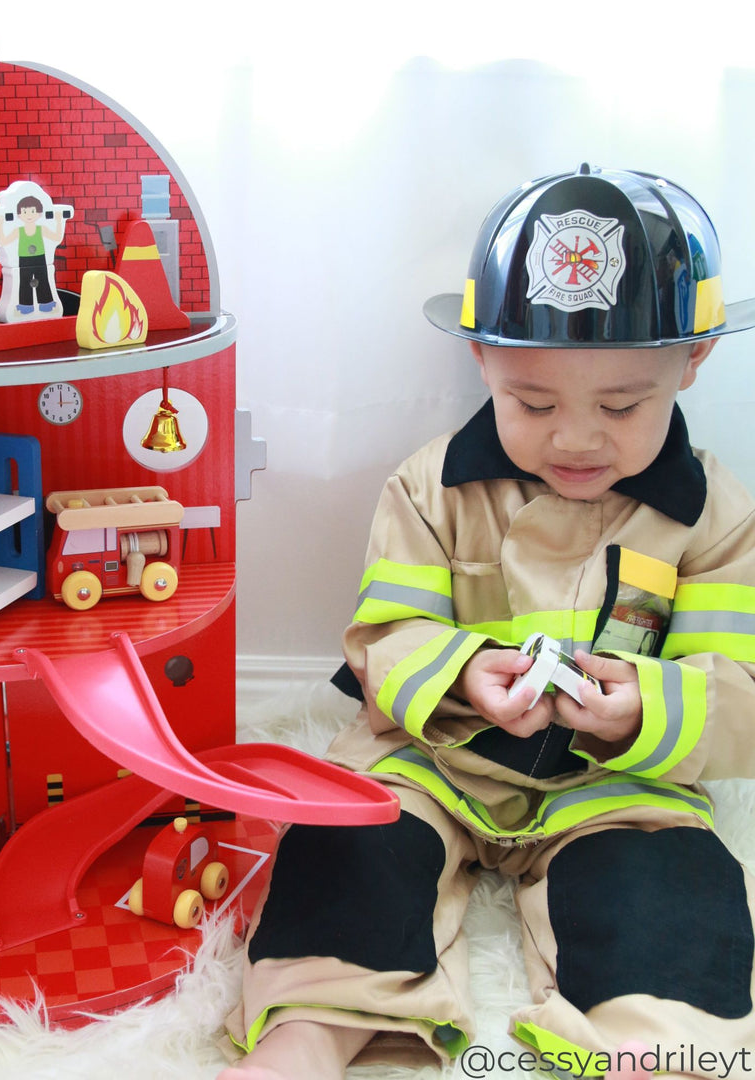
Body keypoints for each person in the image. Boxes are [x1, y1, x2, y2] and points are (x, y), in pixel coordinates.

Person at [218, 165, 755, 1080]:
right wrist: (461, 674)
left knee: (674, 886)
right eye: (532, 403)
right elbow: (386, 637)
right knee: (347, 847)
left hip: (618, 786)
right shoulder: (428, 488)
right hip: (435, 761)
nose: (575, 439)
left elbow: (739, 691)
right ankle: (309, 1030)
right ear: (481, 362)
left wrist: (643, 707)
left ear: (692, 360)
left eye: (622, 406)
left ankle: (650, 1043)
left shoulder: (714, 516)